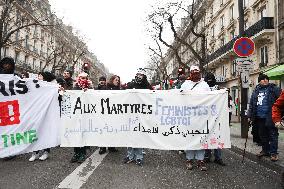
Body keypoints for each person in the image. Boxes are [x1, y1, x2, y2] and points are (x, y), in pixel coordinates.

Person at [180, 65, 210, 171]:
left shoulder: (205, 85)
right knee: (190, 138)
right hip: (189, 117)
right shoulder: (186, 84)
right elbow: (180, 98)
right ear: (190, 73)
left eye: (197, 72)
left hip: (201, 117)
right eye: (193, 72)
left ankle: (200, 160)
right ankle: (189, 159)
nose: (196, 74)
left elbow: (210, 98)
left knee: (201, 138)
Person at [247, 73, 281, 162]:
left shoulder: (274, 89)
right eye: (263, 79)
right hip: (259, 117)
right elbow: (251, 104)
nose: (265, 80)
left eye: (266, 78)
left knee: (273, 135)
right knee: (262, 135)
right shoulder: (256, 90)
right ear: (259, 81)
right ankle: (265, 150)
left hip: (271, 117)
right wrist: (249, 116)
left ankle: (273, 153)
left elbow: (281, 102)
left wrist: (279, 115)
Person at [124, 68, 152, 166]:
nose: (139, 76)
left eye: (141, 75)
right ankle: (130, 155)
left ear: (144, 76)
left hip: (142, 115)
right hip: (131, 113)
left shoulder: (147, 86)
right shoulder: (130, 84)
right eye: (138, 74)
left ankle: (139, 157)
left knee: (140, 136)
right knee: (130, 135)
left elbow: (152, 97)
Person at [29, 71, 57, 162]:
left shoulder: (52, 87)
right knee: (36, 131)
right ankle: (35, 152)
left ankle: (46, 152)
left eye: (40, 76)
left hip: (47, 113)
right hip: (37, 112)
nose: (38, 77)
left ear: (45, 77)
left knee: (46, 133)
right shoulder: (36, 86)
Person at [203, 72, 226, 166]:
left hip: (217, 117)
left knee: (217, 137)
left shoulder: (218, 89)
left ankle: (217, 157)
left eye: (211, 79)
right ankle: (207, 156)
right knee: (206, 136)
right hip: (205, 116)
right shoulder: (203, 89)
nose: (209, 81)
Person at [70, 72, 93, 163]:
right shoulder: (75, 87)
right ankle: (76, 153)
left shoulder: (90, 88)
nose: (83, 79)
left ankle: (82, 153)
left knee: (83, 134)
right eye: (81, 78)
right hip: (76, 115)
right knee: (76, 134)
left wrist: (89, 90)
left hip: (86, 115)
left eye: (85, 78)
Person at [98, 75, 119, 154]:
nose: (117, 81)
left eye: (118, 80)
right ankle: (102, 147)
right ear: (112, 80)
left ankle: (111, 146)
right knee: (103, 130)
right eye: (116, 80)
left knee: (112, 130)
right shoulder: (105, 88)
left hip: (113, 113)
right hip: (104, 112)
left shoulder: (118, 89)